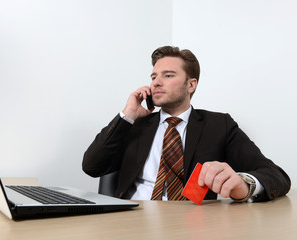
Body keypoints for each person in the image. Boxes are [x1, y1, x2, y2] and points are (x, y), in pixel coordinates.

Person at [82, 46, 291, 202]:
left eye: (168, 75)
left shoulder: (219, 125)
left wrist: (244, 184)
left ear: (191, 84)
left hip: (192, 223)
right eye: (153, 76)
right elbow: (92, 166)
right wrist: (127, 115)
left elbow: (276, 175)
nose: (156, 82)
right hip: (132, 218)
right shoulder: (135, 124)